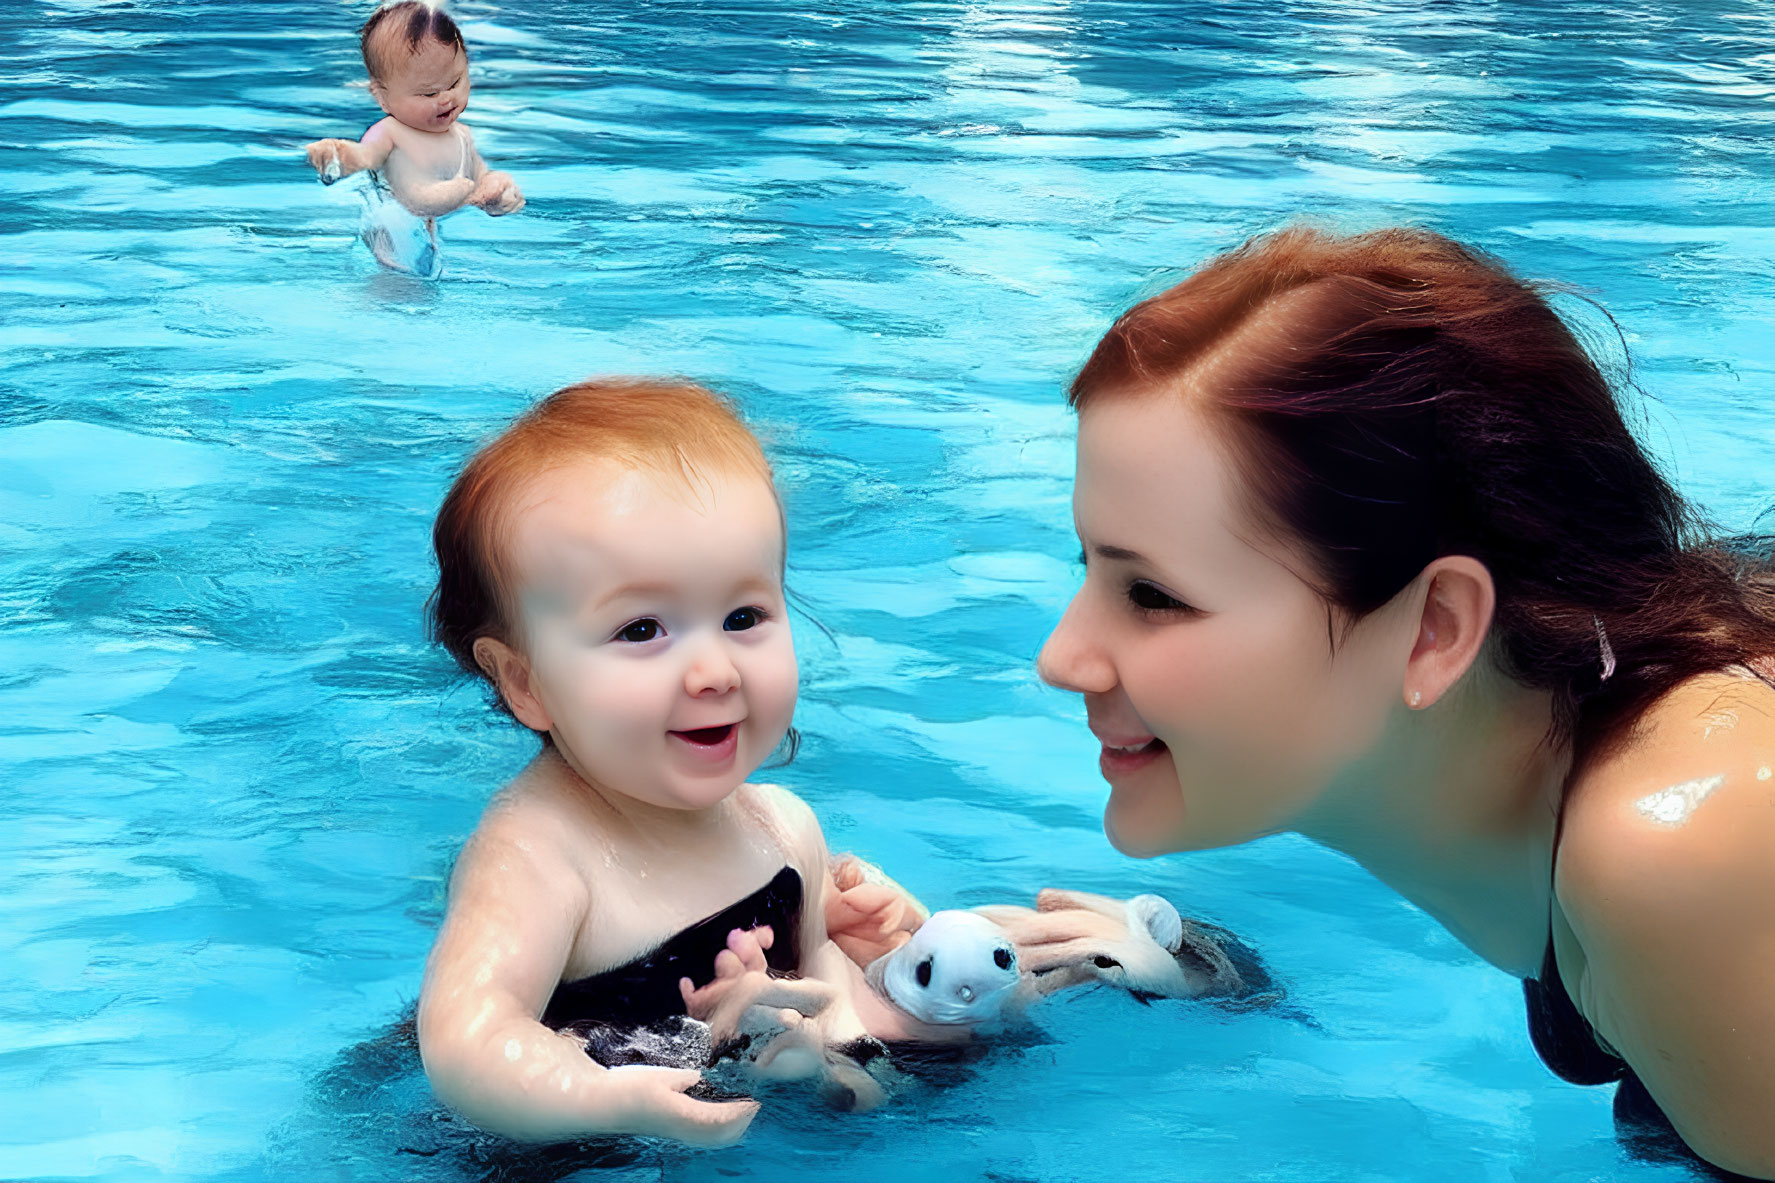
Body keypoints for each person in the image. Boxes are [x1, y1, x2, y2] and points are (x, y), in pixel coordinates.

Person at [1011, 225, 1775, 1179]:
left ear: (1433, 630)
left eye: (1155, 595)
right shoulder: (1549, 760)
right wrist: (1194, 967)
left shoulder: (1685, 845)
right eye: (1088, 568)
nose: (1060, 658)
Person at [416, 380, 925, 1147]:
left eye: (744, 615)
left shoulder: (785, 829)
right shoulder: (537, 855)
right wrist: (607, 1100)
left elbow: (830, 998)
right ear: (524, 681)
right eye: (644, 627)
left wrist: (879, 978)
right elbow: (467, 1039)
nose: (713, 669)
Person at [302, 1, 522, 260]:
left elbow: (479, 177)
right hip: (385, 261)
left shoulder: (460, 136)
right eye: (429, 92)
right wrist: (338, 156)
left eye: (455, 82)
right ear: (383, 98)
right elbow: (365, 156)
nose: (446, 99)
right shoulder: (390, 133)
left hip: (422, 256)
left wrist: (496, 196)